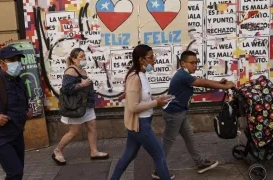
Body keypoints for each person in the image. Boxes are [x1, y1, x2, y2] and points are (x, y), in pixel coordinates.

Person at [151, 50, 237, 179]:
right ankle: (158, 170)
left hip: (180, 112)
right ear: (183, 63)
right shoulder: (182, 75)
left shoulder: (185, 75)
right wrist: (224, 87)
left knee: (189, 138)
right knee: (167, 142)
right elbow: (202, 83)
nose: (195, 66)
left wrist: (219, 83)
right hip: (174, 113)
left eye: (196, 63)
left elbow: (202, 81)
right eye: (192, 63)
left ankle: (200, 163)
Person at [111, 44, 174, 180]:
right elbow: (134, 107)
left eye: (153, 56)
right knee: (159, 155)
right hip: (140, 125)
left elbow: (142, 98)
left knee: (129, 155)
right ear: (141, 60)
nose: (154, 59)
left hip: (142, 122)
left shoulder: (142, 75)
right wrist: (156, 103)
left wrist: (157, 99)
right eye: (150, 57)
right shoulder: (135, 78)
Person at [52, 48, 108, 165]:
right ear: (73, 59)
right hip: (76, 107)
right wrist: (82, 84)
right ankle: (57, 151)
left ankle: (94, 151)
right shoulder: (70, 71)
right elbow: (66, 89)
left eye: (84, 56)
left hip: (86, 105)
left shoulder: (81, 70)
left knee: (92, 127)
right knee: (74, 132)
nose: (84, 59)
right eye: (81, 57)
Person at [0, 45, 33, 180]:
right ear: (1, 63)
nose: (16, 63)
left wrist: (27, 111)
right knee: (14, 172)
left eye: (18, 59)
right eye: (11, 60)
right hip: (0, 137)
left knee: (18, 171)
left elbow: (20, 103)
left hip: (17, 134)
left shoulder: (19, 81)